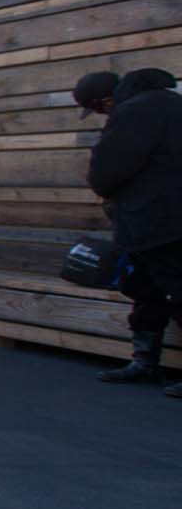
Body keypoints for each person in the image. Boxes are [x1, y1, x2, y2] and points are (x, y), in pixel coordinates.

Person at [84, 66, 182, 396]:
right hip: (161, 218)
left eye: (98, 109)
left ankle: (145, 362)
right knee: (147, 289)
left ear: (107, 100)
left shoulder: (134, 112)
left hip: (156, 221)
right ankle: (144, 361)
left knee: (164, 289)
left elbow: (106, 171)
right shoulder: (172, 103)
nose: (101, 115)